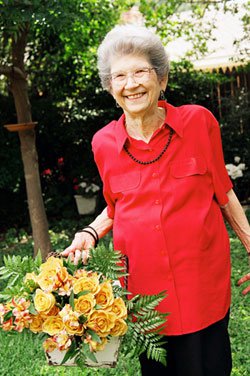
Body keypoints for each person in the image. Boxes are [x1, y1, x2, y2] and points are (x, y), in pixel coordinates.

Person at [62, 24, 250, 376]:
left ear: (161, 79)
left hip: (202, 284)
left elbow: (223, 193)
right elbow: (118, 204)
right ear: (111, 88)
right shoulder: (103, 143)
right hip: (146, 294)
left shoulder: (198, 122)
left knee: (208, 366)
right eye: (119, 76)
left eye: (140, 72)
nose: (130, 83)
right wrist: (90, 232)